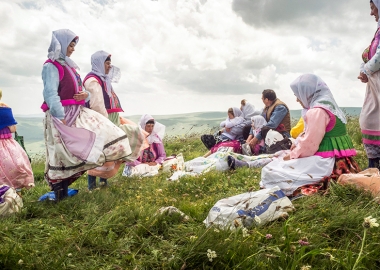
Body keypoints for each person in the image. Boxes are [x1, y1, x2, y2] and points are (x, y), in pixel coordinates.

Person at [228, 74, 359, 196]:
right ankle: (247, 162)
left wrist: (293, 155)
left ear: (307, 93)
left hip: (325, 162)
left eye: (298, 95)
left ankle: (247, 163)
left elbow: (309, 146)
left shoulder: (317, 112)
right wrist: (296, 146)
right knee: (279, 157)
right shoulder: (329, 107)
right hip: (340, 161)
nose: (297, 99)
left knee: (270, 171)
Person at [41, 29, 132, 201]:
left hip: (76, 112)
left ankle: (65, 192)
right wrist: (61, 117)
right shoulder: (50, 66)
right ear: (60, 44)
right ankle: (60, 195)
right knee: (61, 154)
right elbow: (51, 95)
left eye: (74, 45)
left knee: (94, 139)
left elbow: (82, 92)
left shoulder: (69, 66)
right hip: (61, 116)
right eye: (70, 45)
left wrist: (86, 96)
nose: (73, 49)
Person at [83, 50, 147, 190]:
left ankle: (103, 182)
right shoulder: (92, 80)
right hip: (99, 120)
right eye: (107, 63)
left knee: (109, 150)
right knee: (98, 151)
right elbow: (97, 104)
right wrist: (106, 124)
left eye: (110, 63)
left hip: (110, 119)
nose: (109, 66)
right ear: (99, 63)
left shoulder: (104, 80)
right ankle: (92, 186)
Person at [358, 0, 380, 169]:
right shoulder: (378, 32)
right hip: (374, 87)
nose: (371, 13)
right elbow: (367, 55)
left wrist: (366, 70)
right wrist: (363, 70)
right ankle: (373, 166)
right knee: (369, 121)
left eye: (373, 8)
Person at [0, 89, 34, 190]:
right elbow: (13, 129)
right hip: (7, 145)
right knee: (16, 167)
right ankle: (14, 194)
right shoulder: (5, 109)